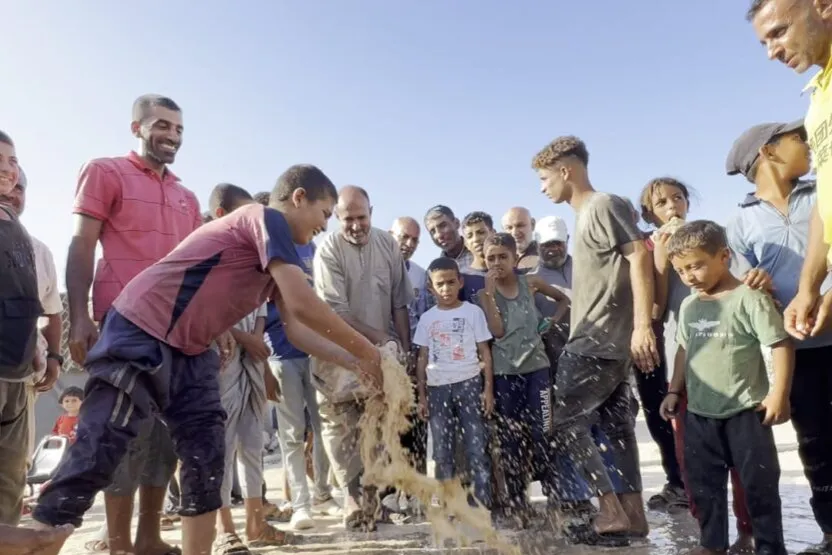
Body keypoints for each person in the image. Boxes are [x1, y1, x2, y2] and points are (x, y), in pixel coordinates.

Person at [26, 164, 384, 555]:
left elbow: (297, 326)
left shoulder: (282, 258)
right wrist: (369, 350)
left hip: (193, 349)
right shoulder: (263, 218)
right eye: (325, 213)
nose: (325, 225)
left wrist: (357, 363)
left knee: (206, 457)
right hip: (141, 329)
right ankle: (41, 541)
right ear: (298, 198)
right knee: (101, 445)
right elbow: (305, 304)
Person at [65, 94, 201, 555]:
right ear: (136, 127)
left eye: (179, 129)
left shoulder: (188, 197)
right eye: (162, 125)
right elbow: (83, 243)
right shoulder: (105, 171)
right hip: (121, 324)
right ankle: (119, 542)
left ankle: (149, 538)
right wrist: (80, 316)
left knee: (163, 437)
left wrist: (208, 327)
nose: (172, 136)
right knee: (117, 431)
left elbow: (197, 269)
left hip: (177, 333)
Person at [532, 135, 655, 543]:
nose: (543, 186)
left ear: (566, 171)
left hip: (595, 340)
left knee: (566, 424)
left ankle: (610, 512)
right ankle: (633, 517)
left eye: (545, 177)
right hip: (609, 344)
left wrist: (642, 326)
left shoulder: (602, 205)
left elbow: (639, 255)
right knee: (617, 428)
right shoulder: (587, 216)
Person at [726, 120, 832, 554]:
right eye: (797, 139)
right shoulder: (740, 222)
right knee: (816, 445)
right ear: (767, 152)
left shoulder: (824, 192)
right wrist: (760, 288)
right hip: (799, 348)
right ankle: (830, 531)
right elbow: (744, 301)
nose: (809, 145)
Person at [660, 220, 793, 555]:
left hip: (746, 412)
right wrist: (675, 391)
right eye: (680, 270)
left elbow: (780, 344)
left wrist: (778, 394)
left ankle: (769, 547)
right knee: (705, 488)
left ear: (724, 255)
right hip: (700, 414)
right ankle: (712, 545)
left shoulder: (749, 298)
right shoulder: (690, 305)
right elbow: (683, 349)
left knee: (758, 488)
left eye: (696, 265)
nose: (689, 276)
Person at [312, 185, 412, 530]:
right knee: (342, 427)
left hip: (382, 354)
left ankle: (374, 500)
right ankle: (351, 500)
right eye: (348, 219)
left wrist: (405, 347)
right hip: (337, 351)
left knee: (380, 424)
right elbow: (335, 311)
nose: (356, 225)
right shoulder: (328, 249)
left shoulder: (387, 244)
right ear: (337, 218)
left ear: (372, 212)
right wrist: (379, 338)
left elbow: (400, 301)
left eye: (362, 217)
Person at [207, 183, 288, 551]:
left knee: (253, 442)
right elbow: (207, 314)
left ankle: (256, 523)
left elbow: (259, 311)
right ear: (223, 216)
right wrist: (243, 339)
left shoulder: (255, 258)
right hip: (221, 356)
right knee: (221, 447)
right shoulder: (209, 253)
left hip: (253, 358)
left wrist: (256, 343)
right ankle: (225, 529)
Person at [749, 1, 832, 349]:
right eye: (764, 42)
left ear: (823, 6)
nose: (772, 52)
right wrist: (809, 289)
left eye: (779, 32)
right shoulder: (818, 98)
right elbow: (825, 205)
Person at [258, 189, 339, 530]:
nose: (322, 223)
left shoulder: (313, 248)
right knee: (292, 433)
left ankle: (323, 493)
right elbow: (262, 310)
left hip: (317, 353)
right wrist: (263, 364)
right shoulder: (267, 246)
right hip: (282, 353)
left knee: (323, 428)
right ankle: (300, 503)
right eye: (323, 213)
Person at [478, 233, 570, 527]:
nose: (496, 263)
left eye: (502, 257)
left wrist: (550, 322)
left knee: (543, 431)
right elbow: (498, 331)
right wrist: (490, 294)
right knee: (510, 440)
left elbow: (563, 300)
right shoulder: (484, 295)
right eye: (490, 258)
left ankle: (554, 497)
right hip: (506, 375)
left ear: (514, 258)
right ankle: (518, 502)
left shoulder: (530, 283)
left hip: (537, 370)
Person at [415, 257, 494, 511]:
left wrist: (488, 390)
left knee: (476, 445)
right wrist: (422, 396)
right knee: (442, 450)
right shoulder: (427, 319)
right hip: (438, 389)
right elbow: (422, 359)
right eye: (440, 284)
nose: (446, 289)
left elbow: (485, 352)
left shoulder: (473, 312)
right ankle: (447, 500)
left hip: (469, 384)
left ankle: (482, 502)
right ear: (431, 287)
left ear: (460, 282)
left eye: (451, 282)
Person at [636, 177, 690, 512]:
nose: (672, 207)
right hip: (659, 346)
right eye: (662, 203)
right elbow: (655, 306)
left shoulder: (708, 236)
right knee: (662, 417)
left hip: (705, 341)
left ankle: (697, 485)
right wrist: (661, 256)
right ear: (649, 214)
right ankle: (678, 482)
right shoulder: (646, 248)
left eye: (678, 198)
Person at [4, 167, 63, 465]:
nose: (14, 194)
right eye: (8, 185)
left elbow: (52, 312)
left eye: (20, 188)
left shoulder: (39, 251)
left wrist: (54, 356)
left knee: (13, 471)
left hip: (22, 376)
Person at [0, 130, 43, 526]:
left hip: (17, 371)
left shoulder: (15, 223)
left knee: (11, 475)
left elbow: (25, 291)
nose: (6, 168)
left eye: (12, 160)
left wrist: (36, 345)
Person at [423, 205, 475, 273]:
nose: (439, 235)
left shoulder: (483, 254)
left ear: (456, 223)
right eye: (433, 231)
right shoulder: (433, 272)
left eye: (442, 226)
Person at [501, 207, 538, 272]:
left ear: (532, 224)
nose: (514, 232)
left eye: (520, 225)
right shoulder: (499, 259)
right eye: (509, 228)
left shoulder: (544, 258)